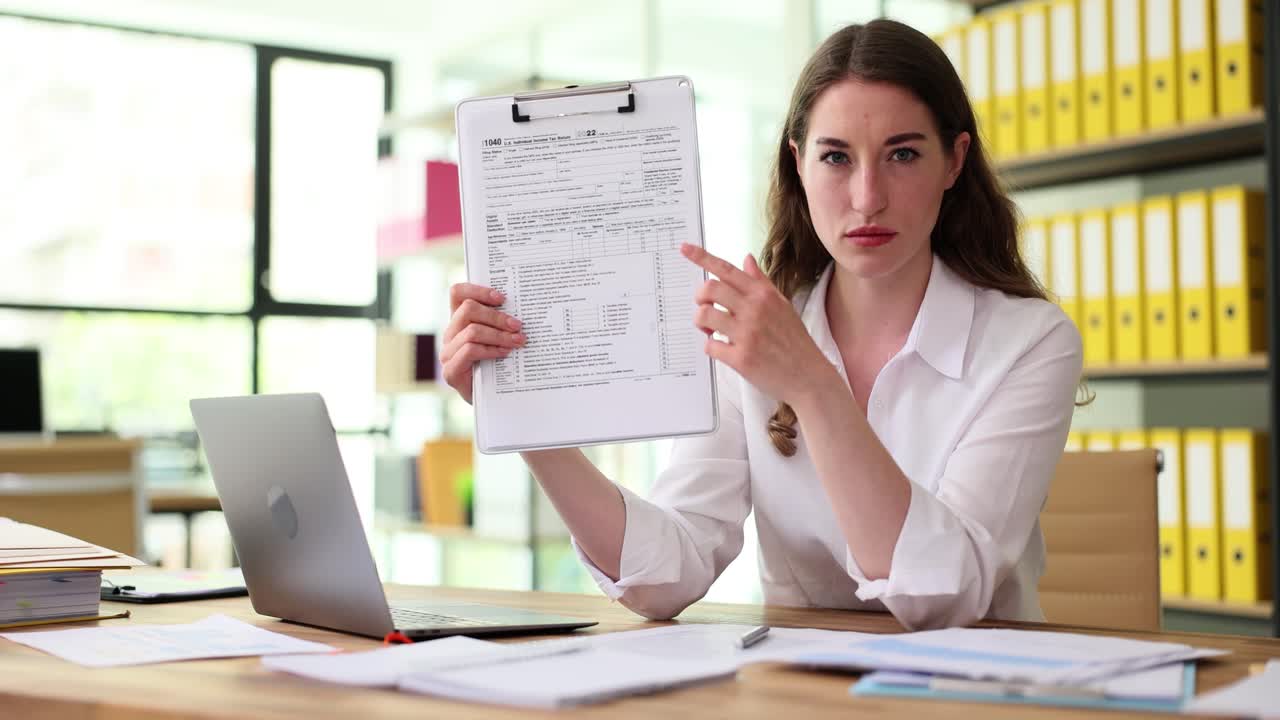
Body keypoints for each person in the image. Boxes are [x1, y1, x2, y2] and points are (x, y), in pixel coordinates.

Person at [439, 19, 1083, 631]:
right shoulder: (752, 333)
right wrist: (525, 417)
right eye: (836, 158)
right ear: (799, 166)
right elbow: (666, 574)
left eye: (903, 154)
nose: (867, 197)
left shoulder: (1029, 341)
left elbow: (946, 595)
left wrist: (813, 385)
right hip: (799, 695)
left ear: (954, 161)